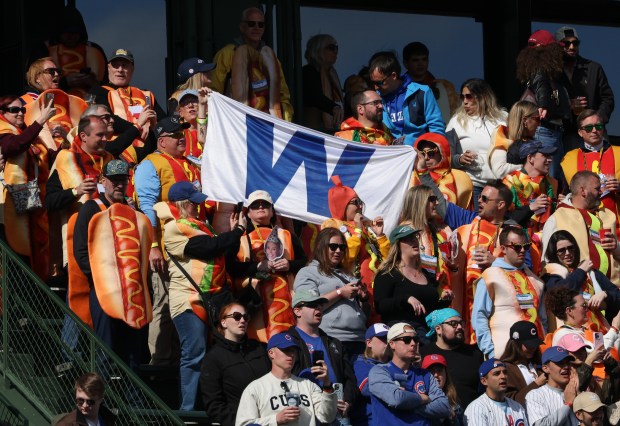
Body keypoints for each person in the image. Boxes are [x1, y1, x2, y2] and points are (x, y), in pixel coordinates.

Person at [155, 181, 246, 410]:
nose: (198, 206)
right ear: (182, 204)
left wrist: (233, 235)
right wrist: (237, 231)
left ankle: (213, 405)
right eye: (194, 203)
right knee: (194, 353)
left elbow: (223, 250)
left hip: (213, 299)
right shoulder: (176, 227)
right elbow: (207, 248)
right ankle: (188, 411)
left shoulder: (204, 227)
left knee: (219, 353)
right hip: (188, 300)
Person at [68, 159, 152, 369]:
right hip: (103, 287)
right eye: (114, 180)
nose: (119, 185)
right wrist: (102, 277)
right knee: (105, 346)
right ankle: (103, 397)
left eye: (123, 180)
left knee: (134, 348)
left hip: (132, 288)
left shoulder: (134, 212)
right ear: (103, 181)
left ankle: (133, 399)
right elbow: (81, 251)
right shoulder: (91, 208)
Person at [134, 116, 198, 366]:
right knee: (163, 303)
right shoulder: (151, 164)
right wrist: (152, 247)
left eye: (181, 133)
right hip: (166, 248)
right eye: (174, 135)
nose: (181, 137)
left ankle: (179, 359)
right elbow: (147, 207)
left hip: (192, 246)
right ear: (161, 141)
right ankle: (159, 362)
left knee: (185, 304)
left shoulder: (190, 163)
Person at [229, 189, 307, 342]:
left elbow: (305, 263)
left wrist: (289, 265)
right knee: (258, 339)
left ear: (272, 211)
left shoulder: (287, 235)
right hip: (254, 300)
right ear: (248, 213)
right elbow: (231, 268)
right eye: (255, 205)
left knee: (286, 340)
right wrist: (257, 267)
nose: (260, 207)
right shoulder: (240, 237)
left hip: (285, 297)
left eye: (265, 204)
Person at [45, 116, 113, 270]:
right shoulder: (65, 158)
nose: (105, 139)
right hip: (79, 241)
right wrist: (76, 191)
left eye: (106, 135)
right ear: (83, 136)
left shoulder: (110, 159)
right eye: (99, 135)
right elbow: (49, 202)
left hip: (109, 238)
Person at [0, 94, 55, 278]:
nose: (20, 113)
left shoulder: (25, 131)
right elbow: (14, 146)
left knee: (32, 255)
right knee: (17, 255)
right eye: (14, 110)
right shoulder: (4, 130)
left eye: (22, 109)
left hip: (31, 200)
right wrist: (40, 121)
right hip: (9, 203)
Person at [293, 228, 368, 358]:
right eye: (333, 247)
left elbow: (366, 313)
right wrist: (340, 293)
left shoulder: (349, 276)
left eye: (342, 247)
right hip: (332, 339)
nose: (338, 251)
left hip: (359, 339)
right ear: (321, 247)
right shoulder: (307, 272)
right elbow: (306, 307)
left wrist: (364, 299)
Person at [286, 288, 358, 424]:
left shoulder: (334, 342)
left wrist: (348, 401)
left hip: (338, 413)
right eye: (313, 305)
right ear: (297, 311)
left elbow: (350, 378)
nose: (318, 309)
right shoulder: (287, 341)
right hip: (307, 413)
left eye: (320, 306)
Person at [472, 226, 546, 358]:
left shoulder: (536, 281)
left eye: (526, 246)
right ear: (503, 249)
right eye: (517, 247)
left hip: (536, 355)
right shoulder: (490, 276)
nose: (522, 250)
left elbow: (543, 320)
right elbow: (479, 316)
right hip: (504, 355)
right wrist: (490, 352)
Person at [235, 331, 338, 426]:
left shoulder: (307, 385)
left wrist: (327, 385)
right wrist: (275, 419)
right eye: (286, 350)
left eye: (293, 351)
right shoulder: (256, 387)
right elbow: (244, 424)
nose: (291, 355)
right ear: (271, 353)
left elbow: (327, 417)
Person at [322, 176, 389, 316]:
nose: (360, 206)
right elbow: (344, 257)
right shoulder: (332, 226)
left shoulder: (365, 229)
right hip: (353, 292)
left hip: (375, 290)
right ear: (342, 204)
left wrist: (380, 236)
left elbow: (387, 259)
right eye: (355, 202)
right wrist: (358, 231)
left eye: (360, 202)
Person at [211, 7, 293, 121]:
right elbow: (214, 92)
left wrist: (285, 123)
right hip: (237, 121)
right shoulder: (227, 53)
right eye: (251, 24)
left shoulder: (271, 58)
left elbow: (283, 95)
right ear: (242, 27)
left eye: (261, 25)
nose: (256, 28)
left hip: (267, 123)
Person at [374, 225, 453, 342]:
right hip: (403, 333)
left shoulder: (426, 274)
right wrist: (406, 299)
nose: (414, 241)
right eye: (408, 239)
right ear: (398, 245)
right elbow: (380, 306)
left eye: (415, 237)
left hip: (428, 332)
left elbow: (428, 308)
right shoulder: (388, 273)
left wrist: (445, 301)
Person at [542, 171, 620, 285]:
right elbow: (547, 262)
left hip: (612, 291)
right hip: (580, 291)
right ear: (583, 191)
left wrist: (616, 246)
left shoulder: (607, 215)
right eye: (597, 189)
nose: (601, 192)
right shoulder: (557, 218)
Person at [201, 302, 271, 426]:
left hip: (271, 419)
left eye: (246, 317)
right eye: (237, 316)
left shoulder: (259, 348)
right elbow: (214, 404)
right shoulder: (213, 357)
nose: (242, 320)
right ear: (223, 322)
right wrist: (239, 423)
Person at [368, 322, 451, 426]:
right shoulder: (379, 371)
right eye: (407, 340)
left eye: (416, 339)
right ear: (392, 344)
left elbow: (444, 407)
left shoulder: (425, 374)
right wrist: (422, 398)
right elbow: (396, 399)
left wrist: (407, 402)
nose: (413, 343)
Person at [516, 30, 571, 180]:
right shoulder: (540, 70)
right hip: (546, 131)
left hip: (551, 131)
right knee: (547, 177)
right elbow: (540, 85)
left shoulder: (538, 70)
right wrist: (543, 104)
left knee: (551, 177)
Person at [446, 78, 507, 208]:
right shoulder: (455, 122)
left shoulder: (503, 118)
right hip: (474, 185)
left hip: (502, 185)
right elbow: (446, 157)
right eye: (462, 97)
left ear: (483, 97)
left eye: (469, 97)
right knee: (476, 225)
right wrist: (460, 159)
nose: (465, 102)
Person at [543, 230, 620, 329]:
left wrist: (605, 294)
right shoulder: (550, 273)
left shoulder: (591, 272)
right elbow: (559, 291)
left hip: (598, 331)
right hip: (571, 335)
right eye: (562, 250)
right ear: (554, 253)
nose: (567, 253)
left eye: (571, 248)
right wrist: (581, 271)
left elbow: (617, 295)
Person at [555, 26, 615, 152]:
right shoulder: (553, 73)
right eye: (566, 43)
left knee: (602, 168)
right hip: (566, 134)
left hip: (595, 132)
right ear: (558, 46)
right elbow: (548, 104)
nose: (571, 47)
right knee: (570, 170)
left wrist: (596, 119)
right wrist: (567, 105)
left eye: (575, 43)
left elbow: (608, 98)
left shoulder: (593, 68)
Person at [502, 140, 559, 273]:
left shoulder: (552, 183)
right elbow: (504, 218)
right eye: (545, 155)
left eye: (550, 156)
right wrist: (530, 208)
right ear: (530, 158)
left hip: (546, 245)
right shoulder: (509, 182)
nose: (550, 160)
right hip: (521, 248)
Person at [368, 51, 445, 146]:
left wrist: (432, 152)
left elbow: (436, 127)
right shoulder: (375, 98)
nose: (375, 87)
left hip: (420, 153)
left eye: (379, 83)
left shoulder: (421, 92)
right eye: (373, 83)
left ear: (393, 76)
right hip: (391, 155)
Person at [398, 186, 457, 305]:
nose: (437, 202)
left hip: (437, 295)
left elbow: (434, 264)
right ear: (419, 202)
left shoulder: (437, 230)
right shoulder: (405, 231)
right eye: (432, 199)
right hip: (415, 297)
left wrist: (452, 267)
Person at [561, 110, 620, 221]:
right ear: (580, 132)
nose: (594, 131)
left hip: (615, 225)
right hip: (581, 223)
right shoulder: (568, 158)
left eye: (598, 126)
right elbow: (564, 193)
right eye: (588, 128)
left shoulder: (618, 153)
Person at [420, 308, 485, 409]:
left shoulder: (475, 354)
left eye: (461, 323)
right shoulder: (423, 354)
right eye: (453, 323)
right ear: (438, 329)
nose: (459, 327)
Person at [545, 286, 620, 351]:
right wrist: (614, 328)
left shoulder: (585, 330)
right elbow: (597, 354)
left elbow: (610, 346)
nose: (588, 309)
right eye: (584, 305)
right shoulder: (563, 334)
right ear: (569, 311)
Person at [410, 133, 473, 209]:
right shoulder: (410, 178)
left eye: (431, 153)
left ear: (442, 153)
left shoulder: (460, 178)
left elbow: (466, 215)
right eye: (422, 154)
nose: (426, 158)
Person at [402, 42, 459, 125]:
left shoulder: (442, 87)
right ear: (405, 63)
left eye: (424, 59)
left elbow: (450, 117)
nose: (420, 64)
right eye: (415, 60)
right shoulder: (398, 88)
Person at [463, 359, 527, 426]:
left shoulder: (517, 406)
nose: (503, 376)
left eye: (505, 372)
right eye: (497, 373)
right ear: (484, 381)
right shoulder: (476, 408)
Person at [525, 346, 579, 426]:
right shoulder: (535, 395)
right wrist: (568, 404)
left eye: (567, 362)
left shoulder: (577, 392)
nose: (566, 367)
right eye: (560, 363)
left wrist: (578, 392)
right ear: (546, 368)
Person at [488, 100, 541, 179]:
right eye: (537, 119)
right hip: (509, 189)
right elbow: (500, 171)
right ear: (525, 121)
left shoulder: (533, 140)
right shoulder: (502, 137)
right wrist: (528, 168)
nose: (540, 124)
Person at [302, 34, 344, 132]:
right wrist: (333, 108)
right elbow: (314, 96)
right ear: (317, 51)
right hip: (314, 130)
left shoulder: (332, 74)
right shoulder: (308, 72)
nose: (335, 51)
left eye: (336, 48)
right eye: (331, 48)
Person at [352, 323, 390, 426]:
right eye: (383, 338)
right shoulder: (360, 363)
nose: (387, 343)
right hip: (369, 421)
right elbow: (368, 389)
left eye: (389, 339)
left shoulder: (394, 364)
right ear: (369, 343)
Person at [500, 320, 546, 406]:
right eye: (529, 345)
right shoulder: (505, 369)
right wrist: (536, 384)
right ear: (516, 344)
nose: (533, 348)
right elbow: (509, 400)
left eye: (535, 344)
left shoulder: (539, 363)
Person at [421, 354, 464, 425]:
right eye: (431, 371)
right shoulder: (416, 401)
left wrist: (453, 418)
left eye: (439, 370)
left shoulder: (456, 407)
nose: (436, 375)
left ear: (446, 374)